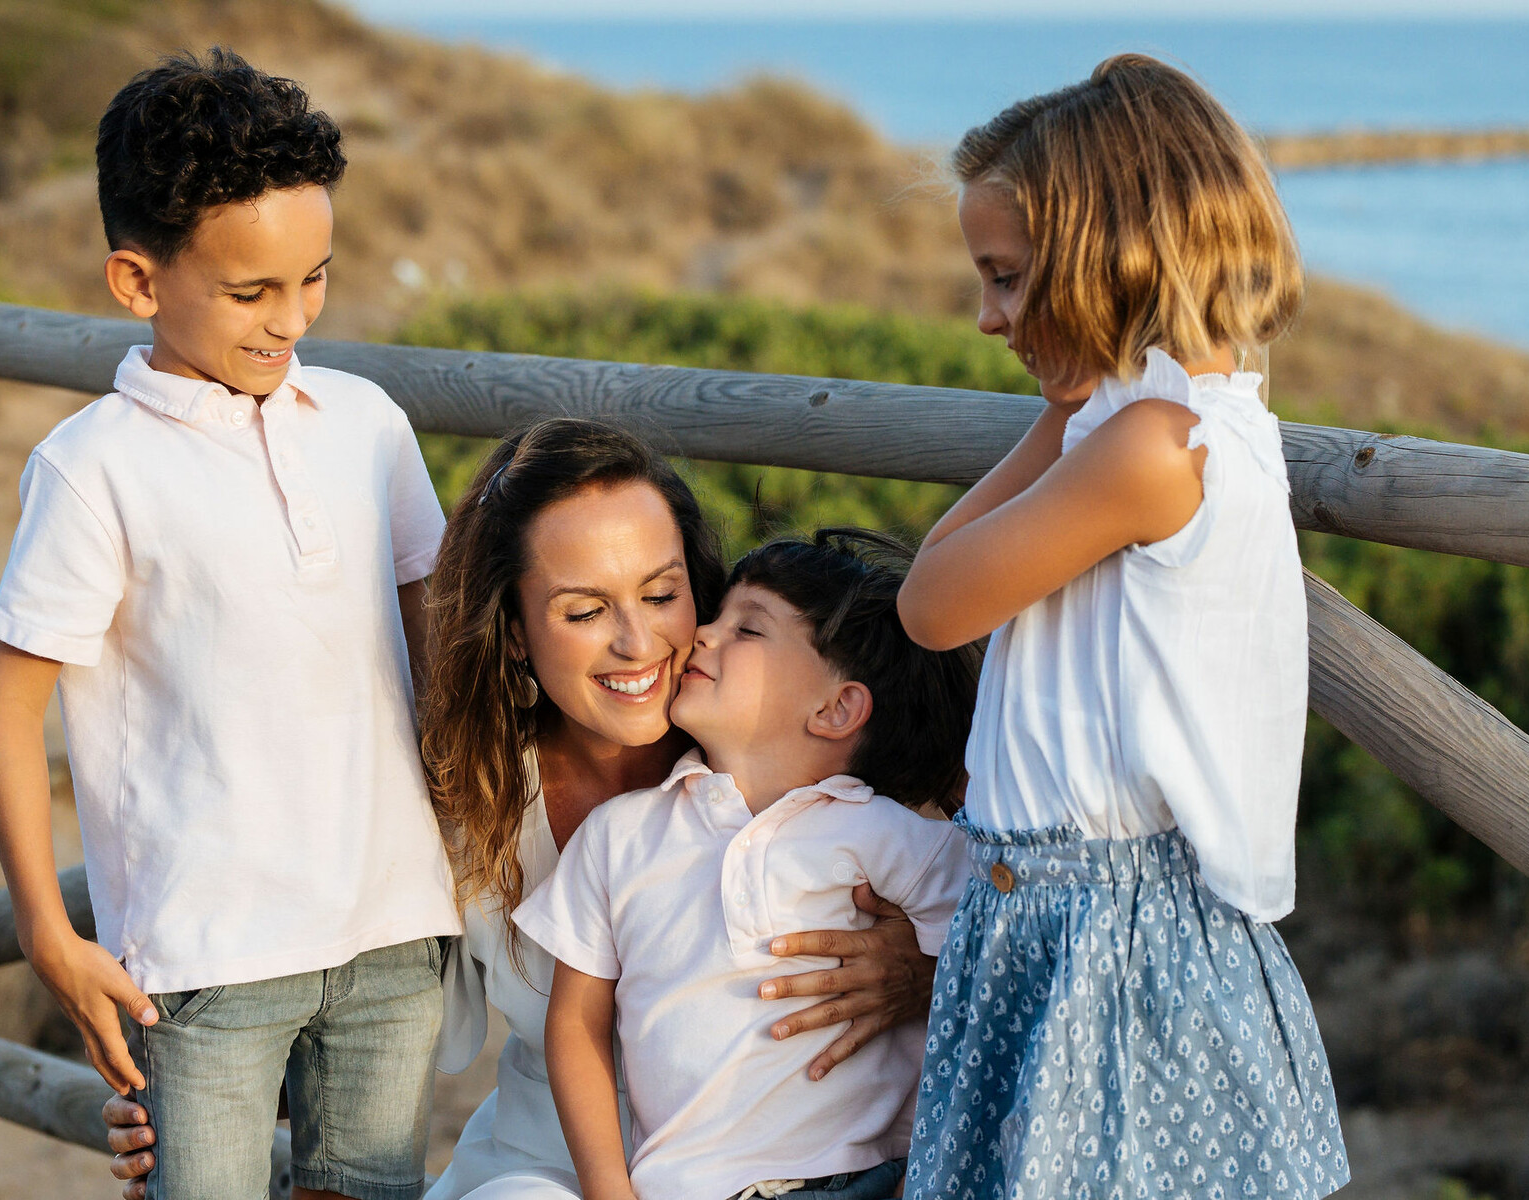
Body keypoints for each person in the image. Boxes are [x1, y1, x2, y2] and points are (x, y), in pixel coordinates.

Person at [103, 419, 943, 1199]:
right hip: (541, 1170)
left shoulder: (799, 758)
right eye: (583, 611)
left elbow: (982, 902)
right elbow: (352, 1021)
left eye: (662, 594)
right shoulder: (468, 797)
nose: (638, 644)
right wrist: (189, 1108)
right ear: (513, 632)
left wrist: (922, 973)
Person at [0, 48, 461, 1200]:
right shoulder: (93, 468)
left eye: (316, 279)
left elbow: (436, 644)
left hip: (394, 931)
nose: (292, 320)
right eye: (252, 293)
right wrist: (49, 936)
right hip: (201, 960)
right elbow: (3, 705)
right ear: (138, 283)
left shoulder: (369, 424)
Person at [896, 54, 1350, 1200]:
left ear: (1106, 256)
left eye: (1006, 279)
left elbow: (932, 601)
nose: (988, 317)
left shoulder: (1151, 449)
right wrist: (1081, 399)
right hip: (1058, 923)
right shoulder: (1158, 427)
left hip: (1108, 945)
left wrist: (1068, 418)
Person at [517, 530, 978, 1200]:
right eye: (717, 616)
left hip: (863, 1181)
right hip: (678, 1187)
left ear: (837, 708)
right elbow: (576, 1022)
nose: (703, 633)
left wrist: (926, 972)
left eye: (749, 629)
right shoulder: (620, 835)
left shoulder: (893, 839)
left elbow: (990, 977)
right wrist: (605, 1187)